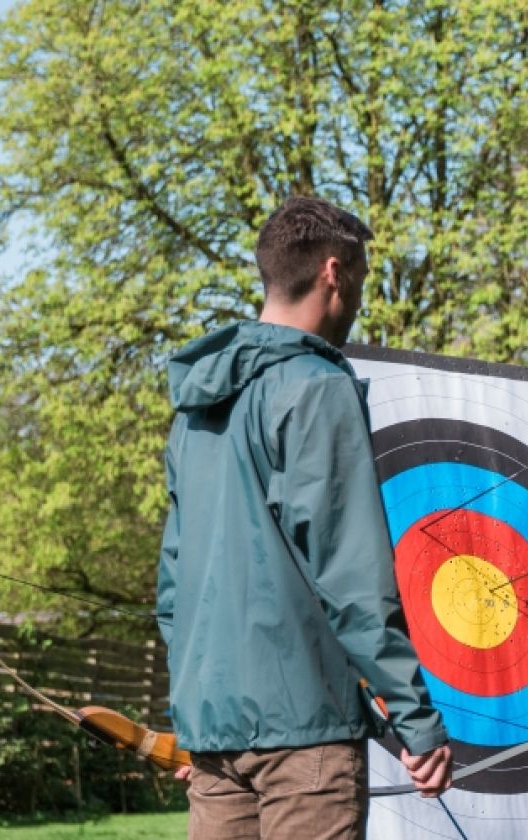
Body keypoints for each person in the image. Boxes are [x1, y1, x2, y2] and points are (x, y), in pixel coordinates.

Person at [156, 196, 452, 839]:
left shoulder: (195, 410)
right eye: (364, 281)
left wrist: (198, 713)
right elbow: (352, 576)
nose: (360, 300)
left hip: (215, 739)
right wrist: (414, 719)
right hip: (306, 746)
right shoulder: (318, 386)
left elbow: (174, 589)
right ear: (333, 273)